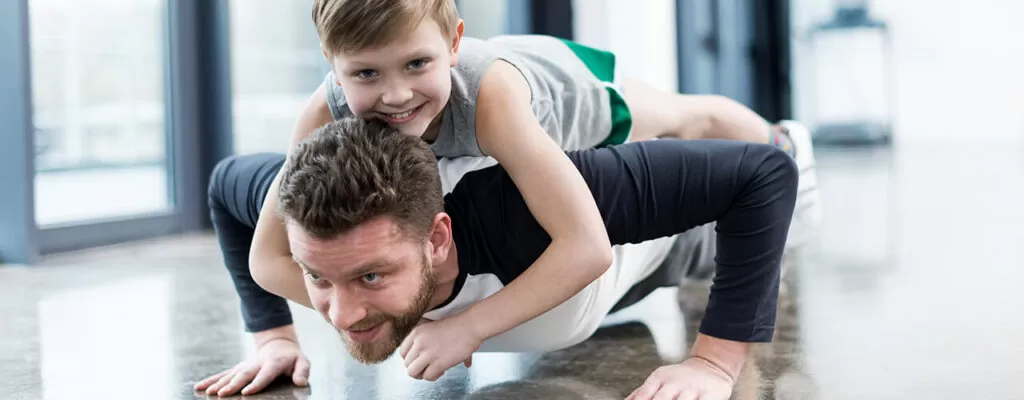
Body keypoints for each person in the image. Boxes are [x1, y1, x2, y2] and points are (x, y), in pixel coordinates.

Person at [237, 3, 821, 396]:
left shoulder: (491, 100)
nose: (394, 94)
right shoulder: (322, 114)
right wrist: (376, 311)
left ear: (453, 44)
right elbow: (268, 257)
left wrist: (469, 327)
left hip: (569, 91)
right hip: (488, 116)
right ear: (334, 68)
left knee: (689, 120)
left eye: (417, 64)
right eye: (366, 73)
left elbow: (586, 245)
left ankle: (780, 139)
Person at [197, 117, 804, 400]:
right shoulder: (303, 211)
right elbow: (225, 185)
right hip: (569, 315)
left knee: (771, 210)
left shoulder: (523, 206)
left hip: (661, 253)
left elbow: (762, 175)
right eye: (317, 277)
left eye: (371, 275)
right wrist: (273, 337)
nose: (340, 314)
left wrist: (714, 362)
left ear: (438, 238)